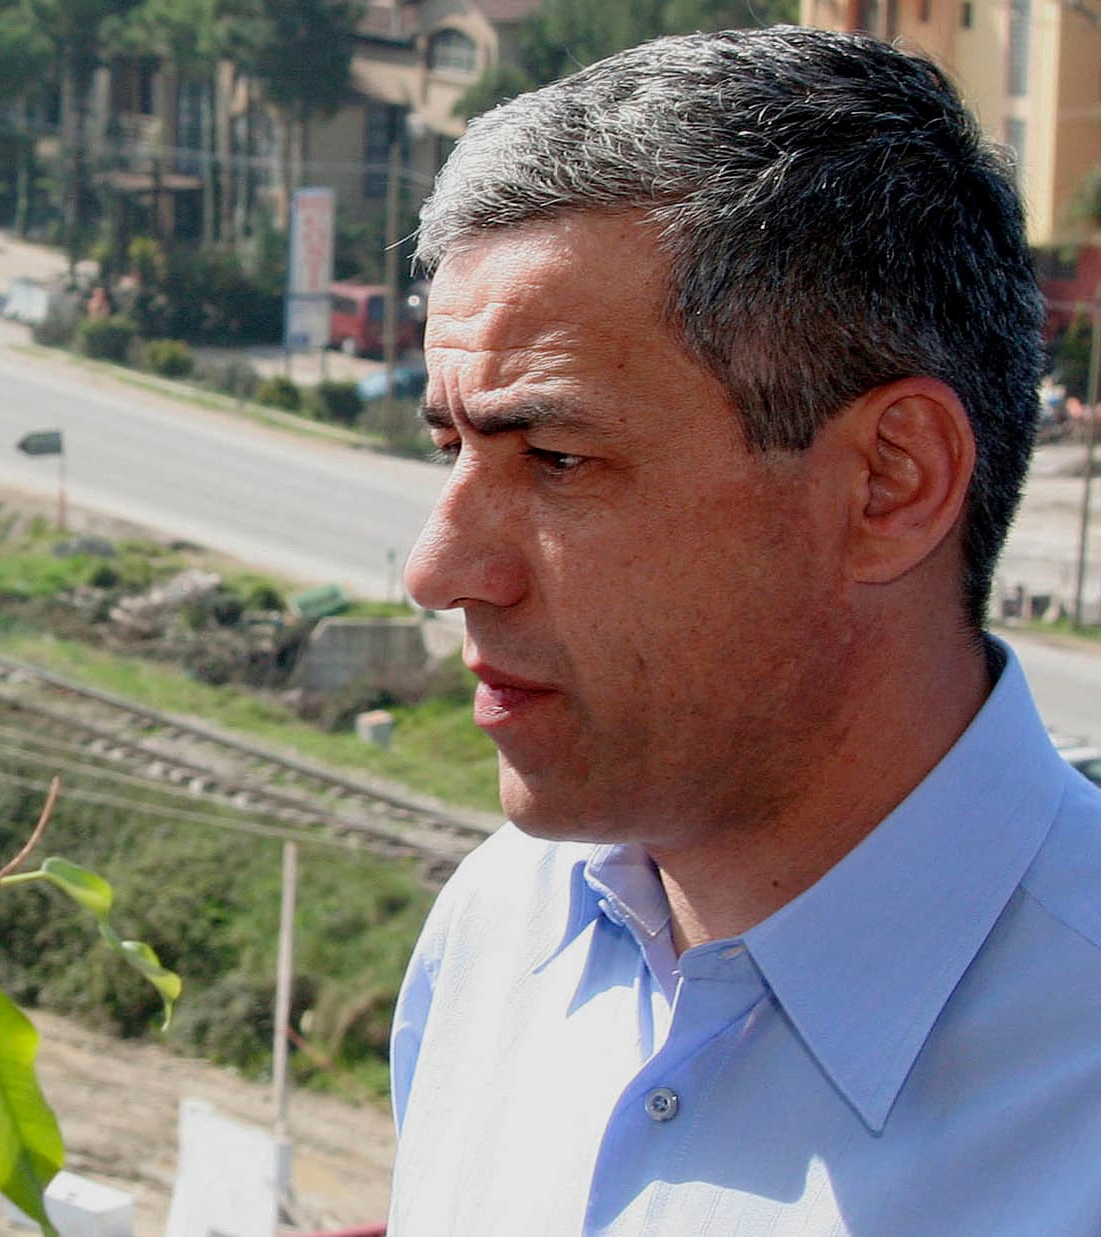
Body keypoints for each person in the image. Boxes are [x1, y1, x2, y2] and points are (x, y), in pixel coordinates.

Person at [389, 26, 1101, 1234]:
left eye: (556, 457)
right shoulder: (497, 928)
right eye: (450, 448)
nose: (437, 568)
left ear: (891, 483)